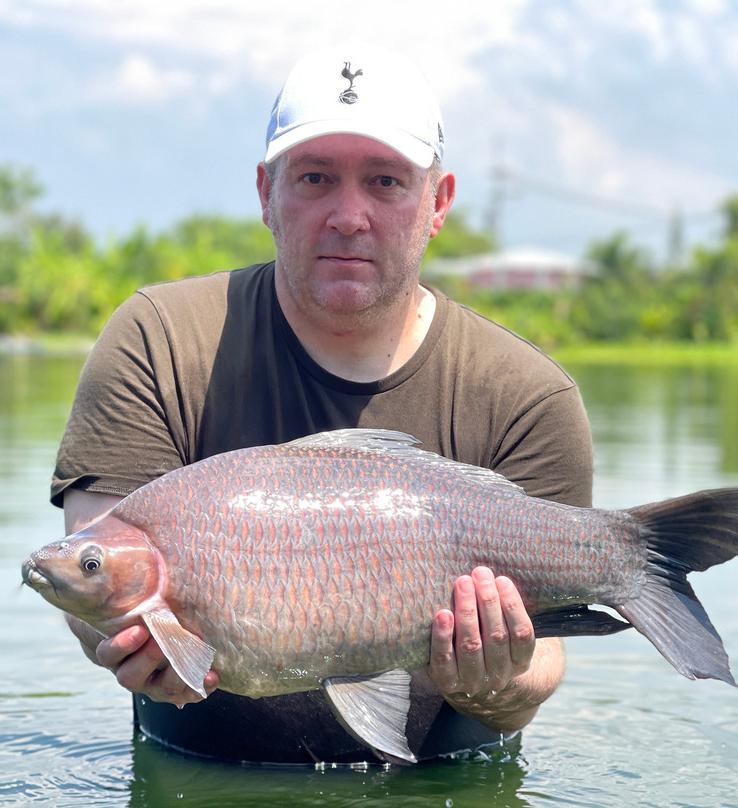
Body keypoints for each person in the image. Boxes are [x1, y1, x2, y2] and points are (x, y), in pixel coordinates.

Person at [51, 43, 593, 764]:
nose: (348, 215)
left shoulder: (529, 396)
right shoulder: (157, 340)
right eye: (314, 177)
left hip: (446, 785)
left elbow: (542, 666)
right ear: (265, 192)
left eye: (385, 181)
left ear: (438, 203)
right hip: (199, 774)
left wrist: (498, 679)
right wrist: (120, 638)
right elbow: (94, 569)